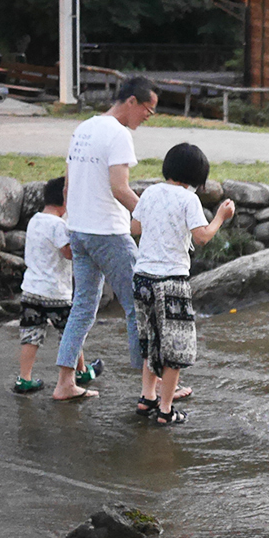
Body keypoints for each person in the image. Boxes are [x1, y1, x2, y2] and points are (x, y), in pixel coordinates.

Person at [52, 76, 159, 401]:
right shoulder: (118, 134)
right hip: (108, 233)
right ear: (131, 102)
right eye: (147, 110)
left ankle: (64, 383)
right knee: (138, 305)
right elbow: (119, 188)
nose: (147, 117)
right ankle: (151, 389)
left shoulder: (83, 128)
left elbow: (67, 186)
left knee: (83, 306)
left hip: (80, 230)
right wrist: (153, 217)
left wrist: (71, 221)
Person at [131, 142, 234, 425]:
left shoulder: (150, 192)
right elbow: (201, 237)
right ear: (197, 178)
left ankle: (147, 397)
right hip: (171, 282)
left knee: (151, 340)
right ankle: (165, 410)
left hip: (142, 279)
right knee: (175, 347)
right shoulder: (189, 200)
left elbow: (135, 228)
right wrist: (221, 218)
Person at [13, 176, 100, 394]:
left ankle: (24, 378)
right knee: (71, 332)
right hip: (56, 292)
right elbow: (67, 252)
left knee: (30, 335)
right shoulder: (58, 225)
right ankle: (81, 371)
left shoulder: (35, 220)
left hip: (31, 290)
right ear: (66, 200)